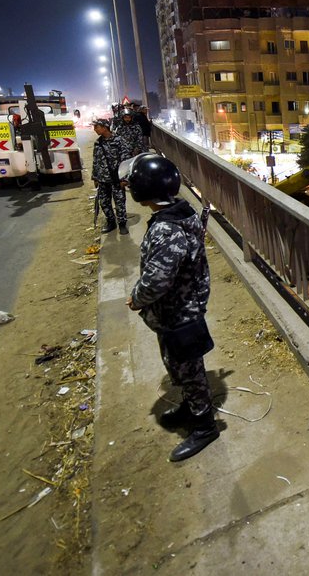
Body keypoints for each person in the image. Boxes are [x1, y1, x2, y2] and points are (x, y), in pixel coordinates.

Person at [124, 154, 219, 462]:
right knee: (179, 364)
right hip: (180, 305)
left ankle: (204, 426)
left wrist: (136, 297)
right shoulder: (181, 213)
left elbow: (156, 281)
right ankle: (190, 407)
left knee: (189, 368)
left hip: (180, 310)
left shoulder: (167, 229)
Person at [91, 119, 131, 235]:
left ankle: (122, 224)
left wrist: (125, 178)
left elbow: (125, 161)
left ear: (105, 127)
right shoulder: (98, 143)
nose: (95, 129)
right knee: (104, 202)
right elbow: (96, 161)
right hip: (103, 179)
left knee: (119, 202)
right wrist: (95, 177)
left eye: (97, 127)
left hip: (116, 179)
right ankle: (111, 222)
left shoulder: (119, 141)